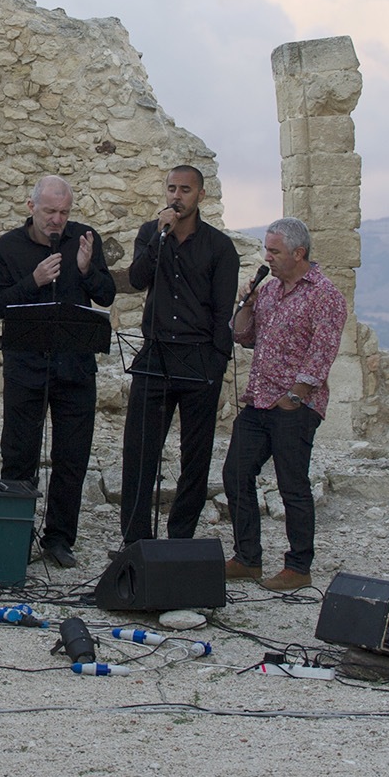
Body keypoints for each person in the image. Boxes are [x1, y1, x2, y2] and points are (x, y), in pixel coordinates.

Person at [0, 175, 115, 569]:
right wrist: (34, 281)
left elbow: (106, 295)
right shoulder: (8, 247)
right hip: (27, 369)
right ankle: (15, 535)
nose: (58, 220)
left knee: (71, 457)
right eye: (50, 212)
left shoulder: (85, 240)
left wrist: (88, 269)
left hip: (75, 368)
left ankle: (59, 538)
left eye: (64, 213)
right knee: (19, 453)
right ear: (31, 207)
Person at [222, 216, 348, 591]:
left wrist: (296, 396)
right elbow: (243, 336)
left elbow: (321, 353)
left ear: (299, 252)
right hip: (258, 401)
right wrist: (247, 302)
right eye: (267, 249)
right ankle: (247, 558)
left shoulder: (325, 295)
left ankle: (298, 566)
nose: (268, 257)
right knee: (235, 474)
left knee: (292, 484)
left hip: (293, 406)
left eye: (274, 251)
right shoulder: (272, 291)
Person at [118, 165, 239, 548]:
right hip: (155, 356)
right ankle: (136, 541)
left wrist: (217, 363)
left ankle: (181, 540)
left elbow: (224, 315)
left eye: (185, 190)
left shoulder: (219, 248)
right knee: (139, 452)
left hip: (199, 359)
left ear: (200, 195)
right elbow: (137, 280)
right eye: (171, 189)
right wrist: (158, 237)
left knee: (196, 456)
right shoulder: (150, 234)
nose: (177, 196)